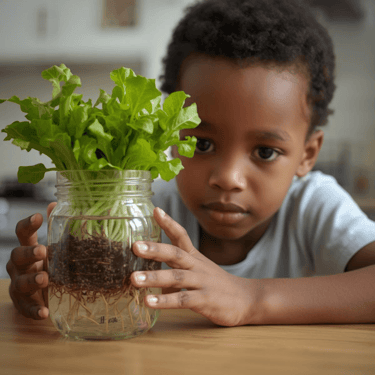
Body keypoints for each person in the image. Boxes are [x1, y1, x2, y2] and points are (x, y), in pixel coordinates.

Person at [7, 0, 375, 326]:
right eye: (201, 143)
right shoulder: (146, 213)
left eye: (265, 152)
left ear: (307, 155)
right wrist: (47, 287)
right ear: (169, 135)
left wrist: (251, 299)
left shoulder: (314, 207)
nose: (228, 178)